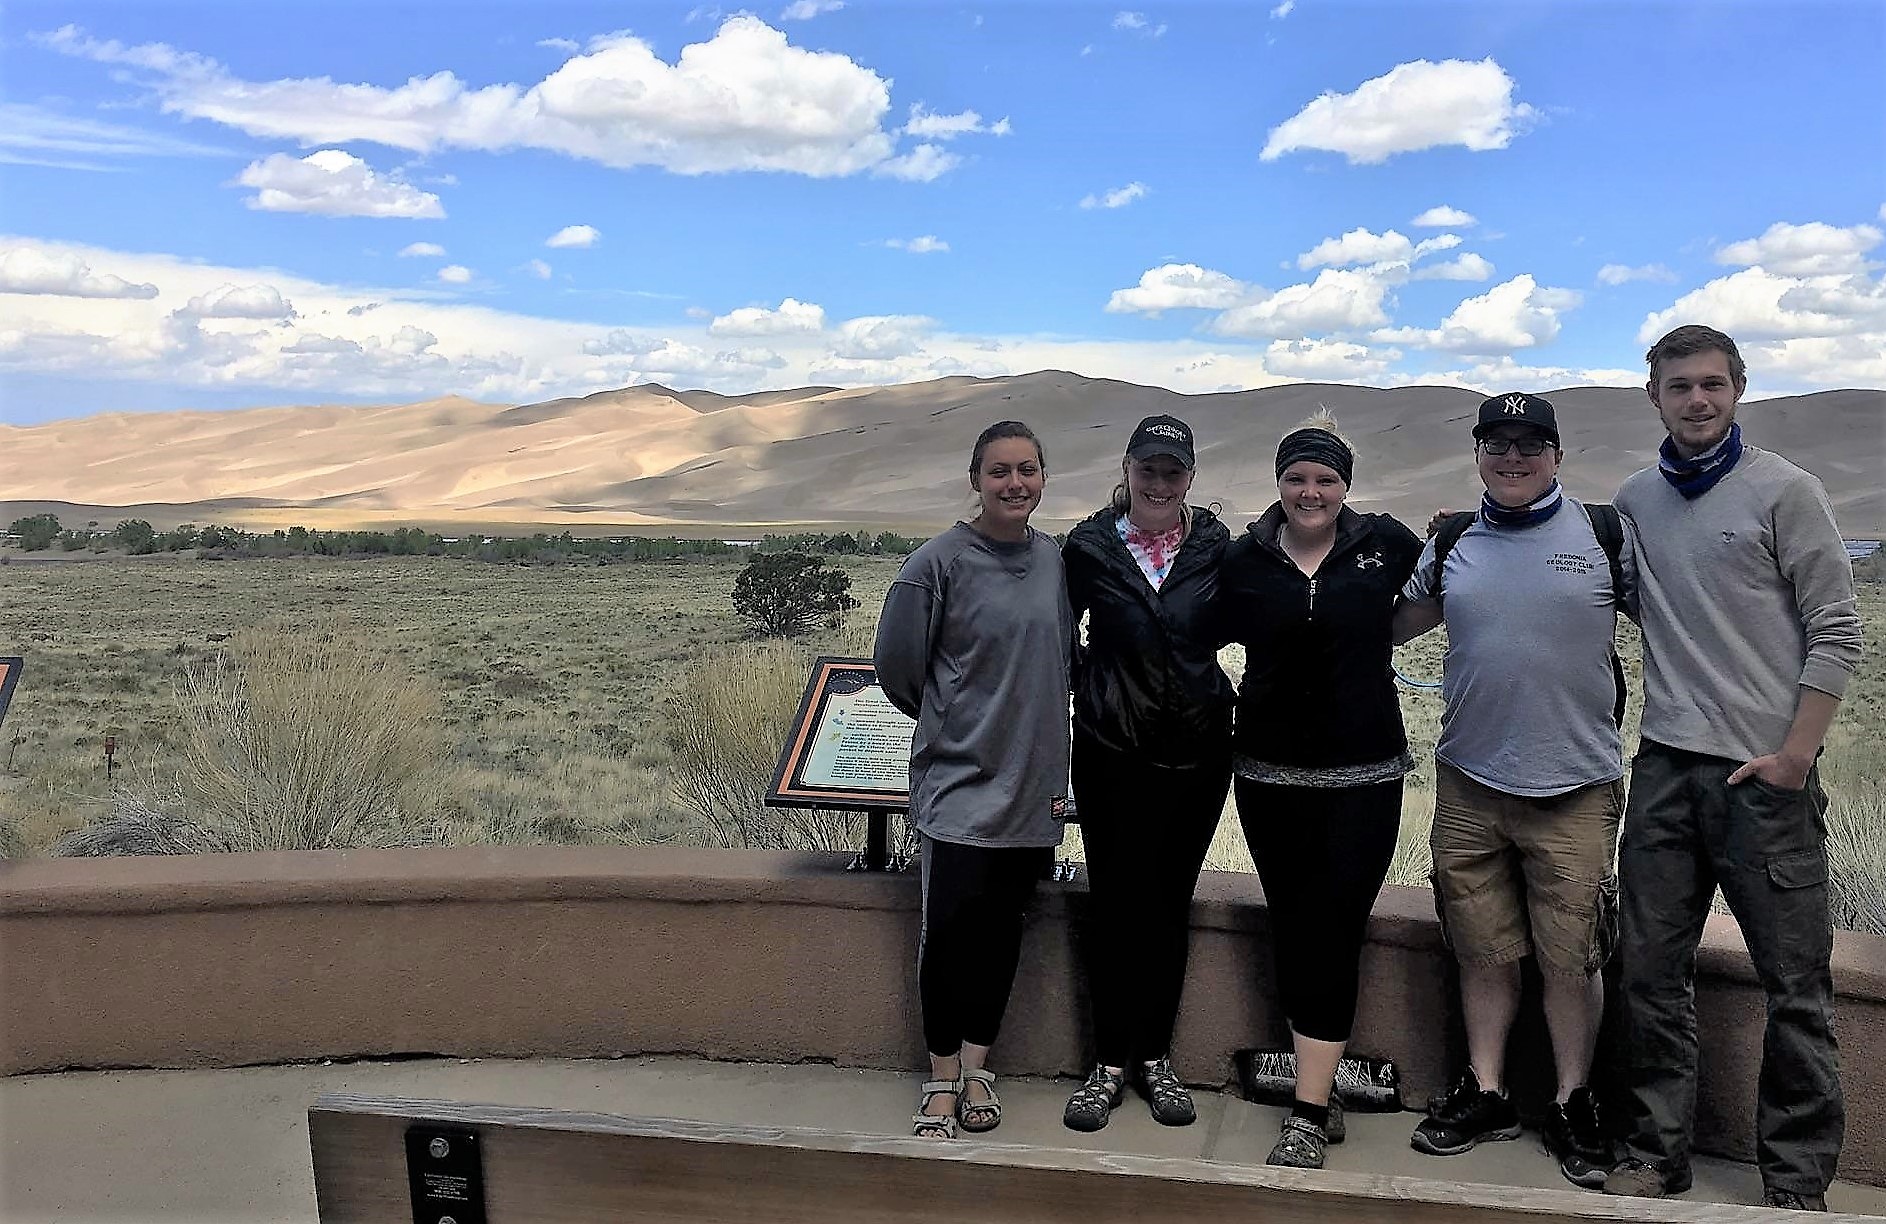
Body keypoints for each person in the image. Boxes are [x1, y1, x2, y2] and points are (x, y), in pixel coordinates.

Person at [1603, 326, 1863, 1211]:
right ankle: (1654, 1152)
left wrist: (1797, 756)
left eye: (1713, 384)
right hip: (1667, 769)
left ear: (1739, 389)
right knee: (1646, 971)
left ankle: (1794, 1178)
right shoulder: (1638, 498)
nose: (1698, 401)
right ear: (1655, 398)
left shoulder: (1786, 492)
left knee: (1796, 985)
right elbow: (1623, 596)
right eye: (1680, 386)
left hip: (1767, 780)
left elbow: (1837, 628)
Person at [1392, 392, 1637, 1188]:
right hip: (1469, 779)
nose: (1513, 456)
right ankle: (1489, 1091)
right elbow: (1389, 623)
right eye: (1496, 443)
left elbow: (1684, 621)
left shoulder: (1603, 537)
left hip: (1576, 784)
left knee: (1573, 955)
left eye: (1530, 443)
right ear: (1478, 456)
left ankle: (1572, 1101)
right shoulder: (1453, 540)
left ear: (1557, 455)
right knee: (1480, 944)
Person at [1218, 412, 1424, 1169]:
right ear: (1279, 484)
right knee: (1294, 923)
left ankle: (1308, 1110)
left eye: (1326, 479)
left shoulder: (1388, 546)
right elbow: (1194, 629)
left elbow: (1446, 583)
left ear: (1347, 486)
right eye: (1298, 477)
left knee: (1339, 927)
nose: (1311, 491)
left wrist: (1377, 639)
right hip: (1267, 776)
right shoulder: (1244, 561)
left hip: (1365, 775)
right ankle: (1318, 1083)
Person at [873, 419, 1075, 1141]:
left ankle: (980, 1069)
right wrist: (956, 723)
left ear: (1044, 478)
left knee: (1000, 934)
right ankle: (941, 1076)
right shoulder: (935, 565)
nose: (1014, 484)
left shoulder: (1054, 560)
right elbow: (899, 671)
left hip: (1032, 785)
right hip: (959, 784)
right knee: (951, 935)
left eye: (1027, 470)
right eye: (999, 471)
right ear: (975, 479)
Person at [1058, 414, 1235, 1132]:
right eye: (1148, 469)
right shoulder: (1089, 547)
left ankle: (1155, 1059)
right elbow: (1053, 631)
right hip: (1111, 751)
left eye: (1173, 471)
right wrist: (1093, 689)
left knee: (1169, 906)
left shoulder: (1218, 547)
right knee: (1116, 905)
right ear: (1126, 470)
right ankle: (1106, 1064)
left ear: (1190, 477)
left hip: (1197, 755)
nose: (1159, 483)